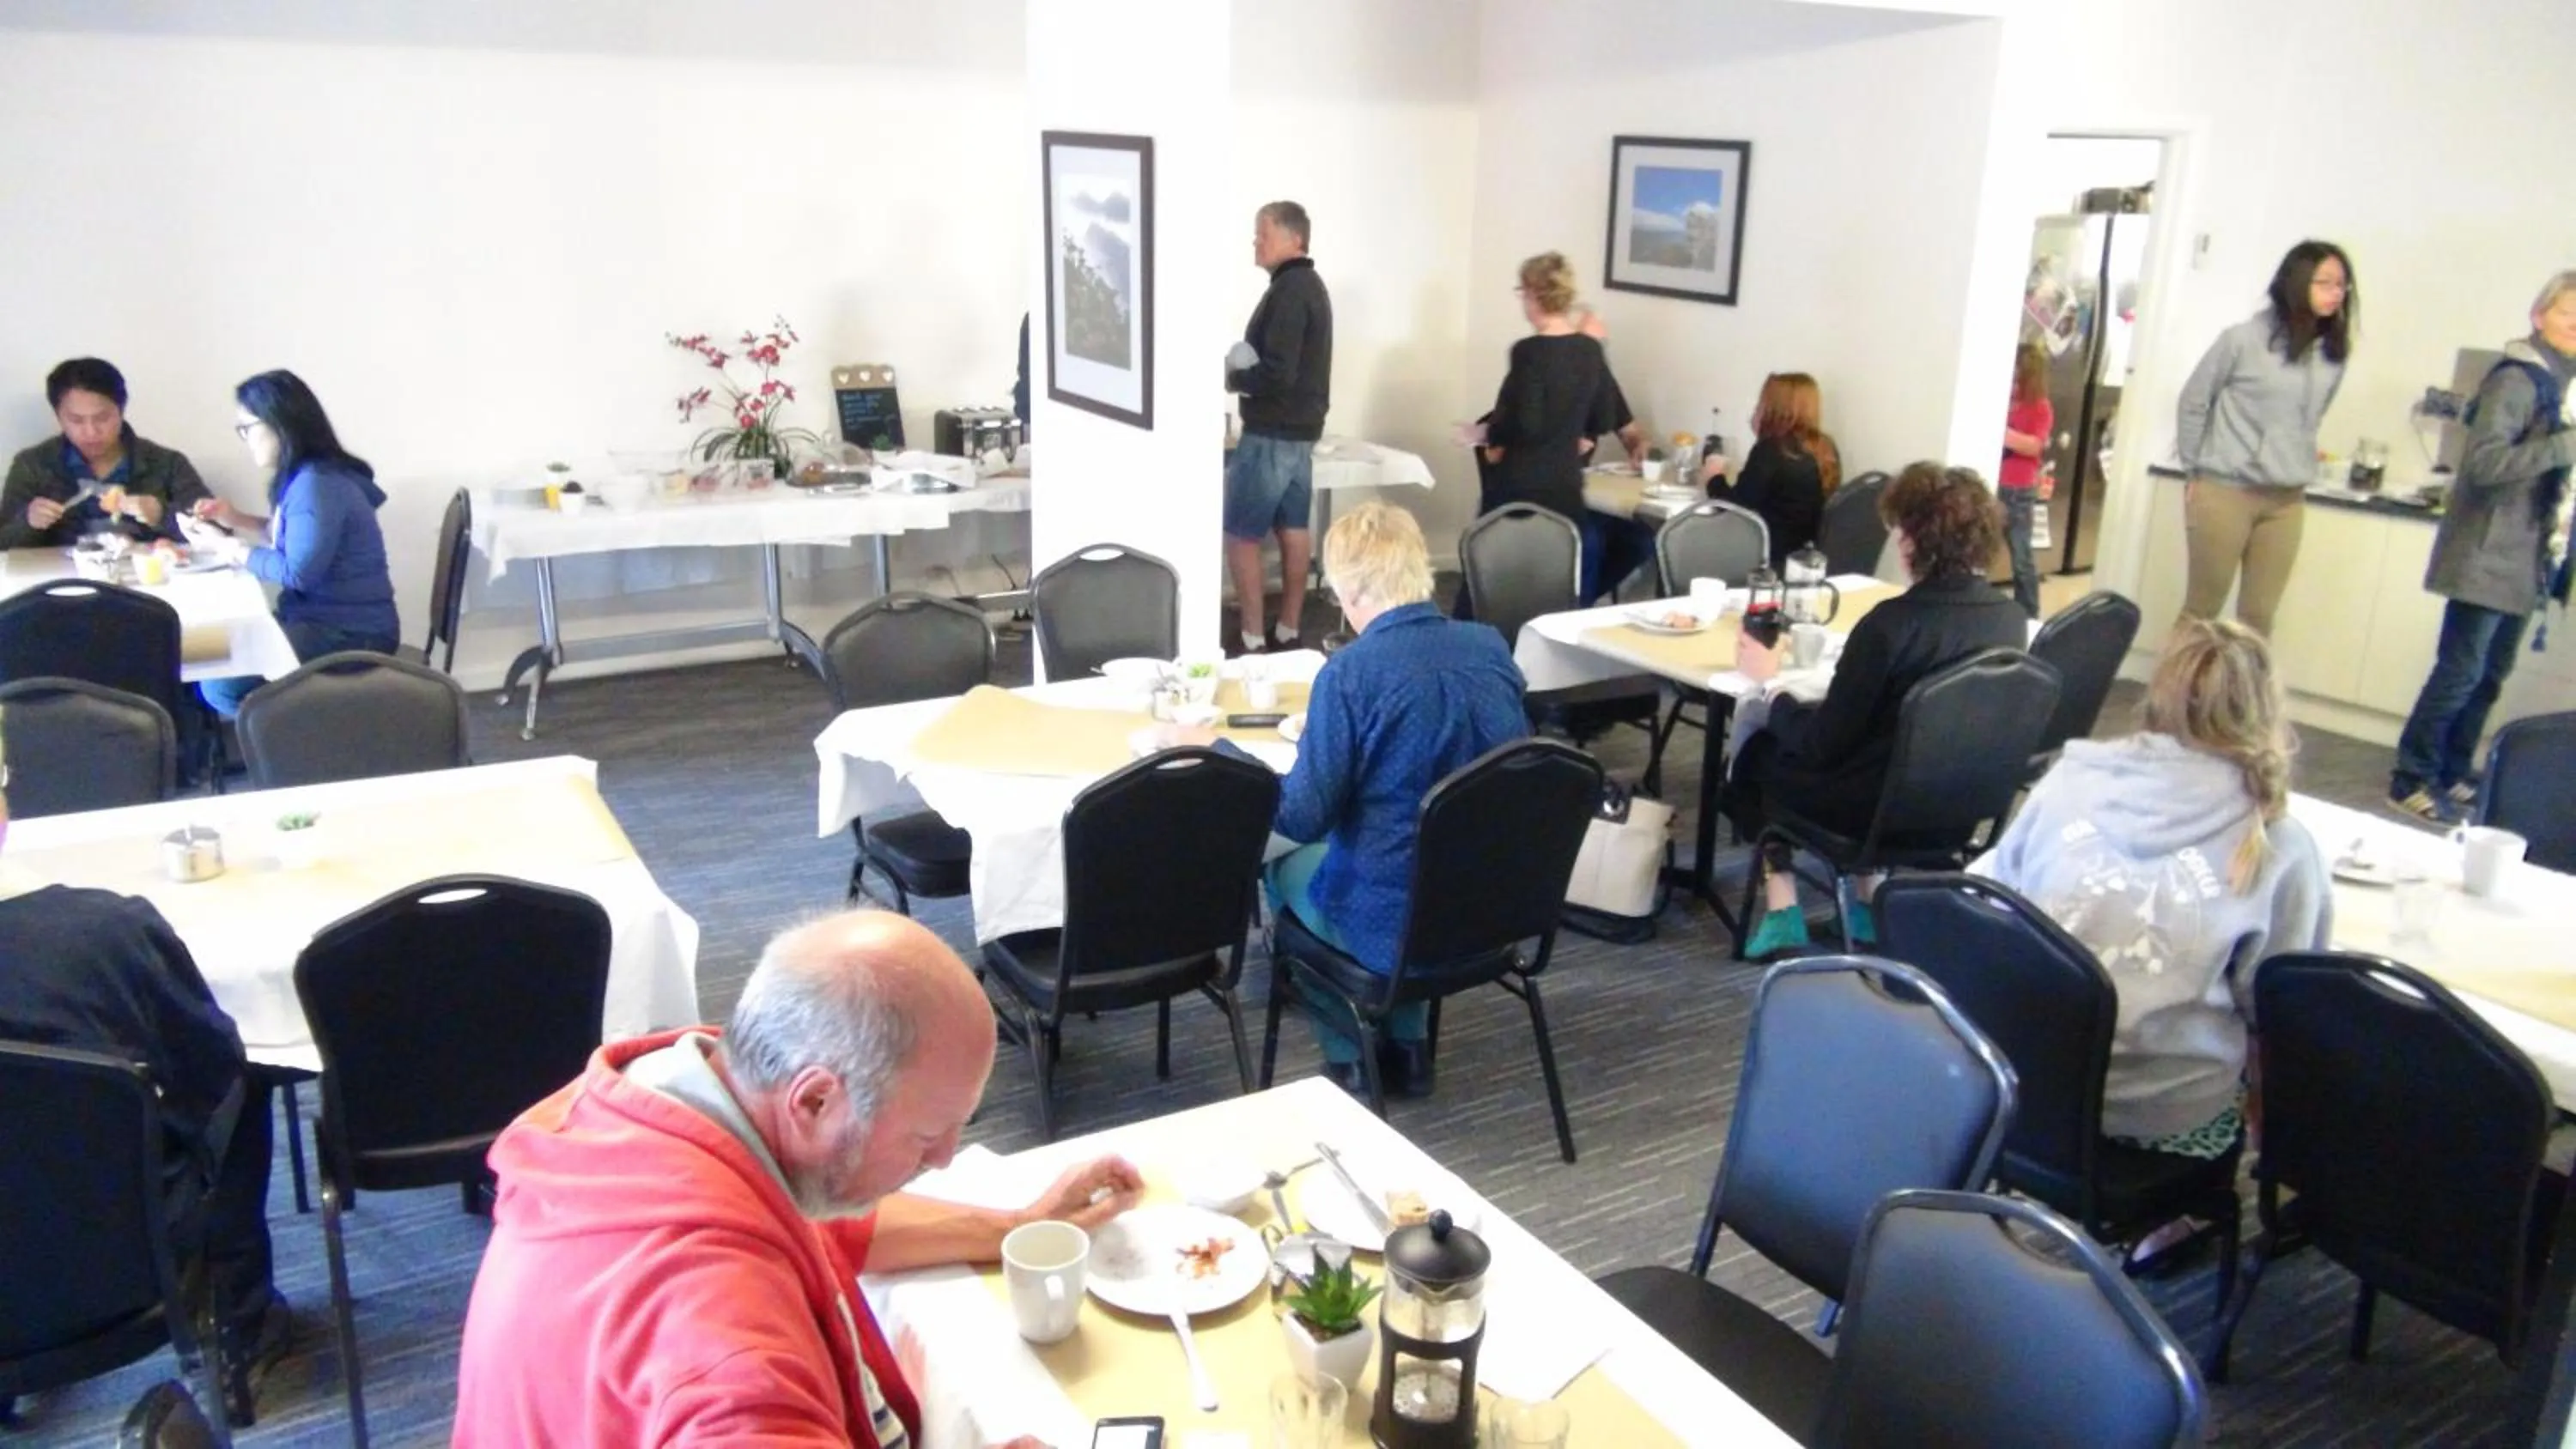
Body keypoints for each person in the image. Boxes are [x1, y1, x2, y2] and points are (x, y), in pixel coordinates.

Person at [453, 909, 1143, 1448]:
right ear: (814, 1101)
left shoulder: (686, 1102)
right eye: (928, 1137)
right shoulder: (732, 1367)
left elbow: (832, 1219)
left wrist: (1018, 1227)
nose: (941, 1160)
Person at [1155, 503, 1526, 1097]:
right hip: (1493, 903)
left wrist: (1218, 748)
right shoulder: (1489, 647)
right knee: (1398, 853)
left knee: (1282, 860)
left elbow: (1301, 814)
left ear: (1349, 587)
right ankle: (1407, 1049)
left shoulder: (1351, 674)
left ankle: (1350, 1056)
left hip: (1395, 919)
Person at [0, 742, 290, 1426]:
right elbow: (211, 1067)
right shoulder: (105, 933)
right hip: (122, 1251)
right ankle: (238, 1328)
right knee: (246, 1082)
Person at [1974, 618, 2330, 1165]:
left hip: (2028, 1083)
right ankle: (2174, 1221)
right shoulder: (2279, 843)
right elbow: (2286, 1014)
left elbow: (1989, 898)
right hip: (2162, 1113)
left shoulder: (2070, 780)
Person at [1726, 463, 2026, 959]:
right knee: (1875, 746)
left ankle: (1783, 912)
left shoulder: (1889, 627)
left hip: (1869, 810)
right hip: (1958, 808)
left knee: (1755, 752)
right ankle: (1865, 908)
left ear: (1912, 541)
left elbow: (1824, 743)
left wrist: (1772, 688)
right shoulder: (2009, 621)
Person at [2389, 270, 2576, 822]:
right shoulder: (2518, 380)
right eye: (2569, 314)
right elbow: (2487, 464)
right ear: (2539, 316)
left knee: (2491, 674)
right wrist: (2565, 446)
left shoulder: (2563, 387)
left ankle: (2450, 771)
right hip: (2486, 553)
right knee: (2461, 672)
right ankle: (2410, 777)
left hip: (2526, 560)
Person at [192, 370, 400, 718]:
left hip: (350, 633)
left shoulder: (317, 485)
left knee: (218, 682)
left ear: (279, 423)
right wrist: (236, 520)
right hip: (317, 622)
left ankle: (294, 743)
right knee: (201, 652)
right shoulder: (309, 477)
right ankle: (290, 737)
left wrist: (227, 547)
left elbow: (297, 572)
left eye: (247, 428)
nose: (245, 439)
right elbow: (294, 540)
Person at [2174, 239, 2354, 636]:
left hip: (2286, 498)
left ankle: (2240, 698)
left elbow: (2312, 419)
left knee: (2258, 619)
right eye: (2324, 282)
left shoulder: (2333, 356)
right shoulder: (2241, 340)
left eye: (2341, 285)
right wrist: (2194, 470)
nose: (2335, 293)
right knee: (2202, 611)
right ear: (2296, 283)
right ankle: (2171, 696)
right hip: (2225, 491)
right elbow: (2193, 401)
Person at [1474, 252, 1619, 598]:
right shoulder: (1590, 350)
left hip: (1521, 487)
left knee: (1489, 583)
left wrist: (1489, 436)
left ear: (1534, 295)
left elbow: (1526, 423)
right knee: (1556, 583)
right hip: (1565, 487)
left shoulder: (1529, 352)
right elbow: (1603, 417)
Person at [1224, 201, 1334, 655]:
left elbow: (1277, 372)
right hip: (1301, 434)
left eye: (1263, 234)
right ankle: (1288, 628)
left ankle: (1251, 634)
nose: (1256, 242)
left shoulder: (1290, 291)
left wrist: (1234, 376)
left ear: (1295, 239)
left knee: (1241, 535)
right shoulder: (1311, 286)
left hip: (1271, 432)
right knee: (1293, 527)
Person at [0, 357, 210, 549]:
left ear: (121, 411)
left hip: (150, 581)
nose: (91, 432)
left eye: (102, 418)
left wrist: (163, 515)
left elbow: (218, 533)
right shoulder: (33, 466)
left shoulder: (167, 463)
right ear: (58, 417)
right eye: (76, 420)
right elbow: (3, 543)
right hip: (60, 582)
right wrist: (28, 522)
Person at [1704, 372, 1840, 571]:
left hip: (1772, 558)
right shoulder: (1824, 448)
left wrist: (1713, 478)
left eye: (1761, 404)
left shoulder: (1771, 450)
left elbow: (1736, 508)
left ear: (1773, 409)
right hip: (1805, 556)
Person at [1577, 308, 1654, 601]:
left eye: (1601, 347)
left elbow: (1630, 431)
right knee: (1591, 541)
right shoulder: (1547, 381)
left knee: (1642, 540)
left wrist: (1639, 447)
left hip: (1585, 495)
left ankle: (1571, 605)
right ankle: (1570, 613)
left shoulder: (1600, 381)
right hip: (1549, 493)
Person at [1999, 342, 2057, 617]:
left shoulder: (2040, 408)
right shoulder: (2003, 401)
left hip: (2017, 489)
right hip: (1992, 483)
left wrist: (2004, 433)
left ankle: (2030, 613)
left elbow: (2035, 445)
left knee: (2021, 558)